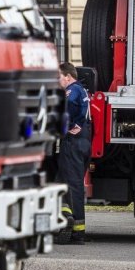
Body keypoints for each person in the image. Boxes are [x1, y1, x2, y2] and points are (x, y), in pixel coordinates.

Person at [57, 62, 92, 245]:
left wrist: (67, 126)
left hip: (73, 143)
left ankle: (78, 233)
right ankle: (65, 220)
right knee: (60, 181)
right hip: (83, 143)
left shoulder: (72, 91)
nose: (58, 81)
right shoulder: (82, 90)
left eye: (59, 77)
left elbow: (68, 109)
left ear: (68, 77)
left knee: (74, 187)